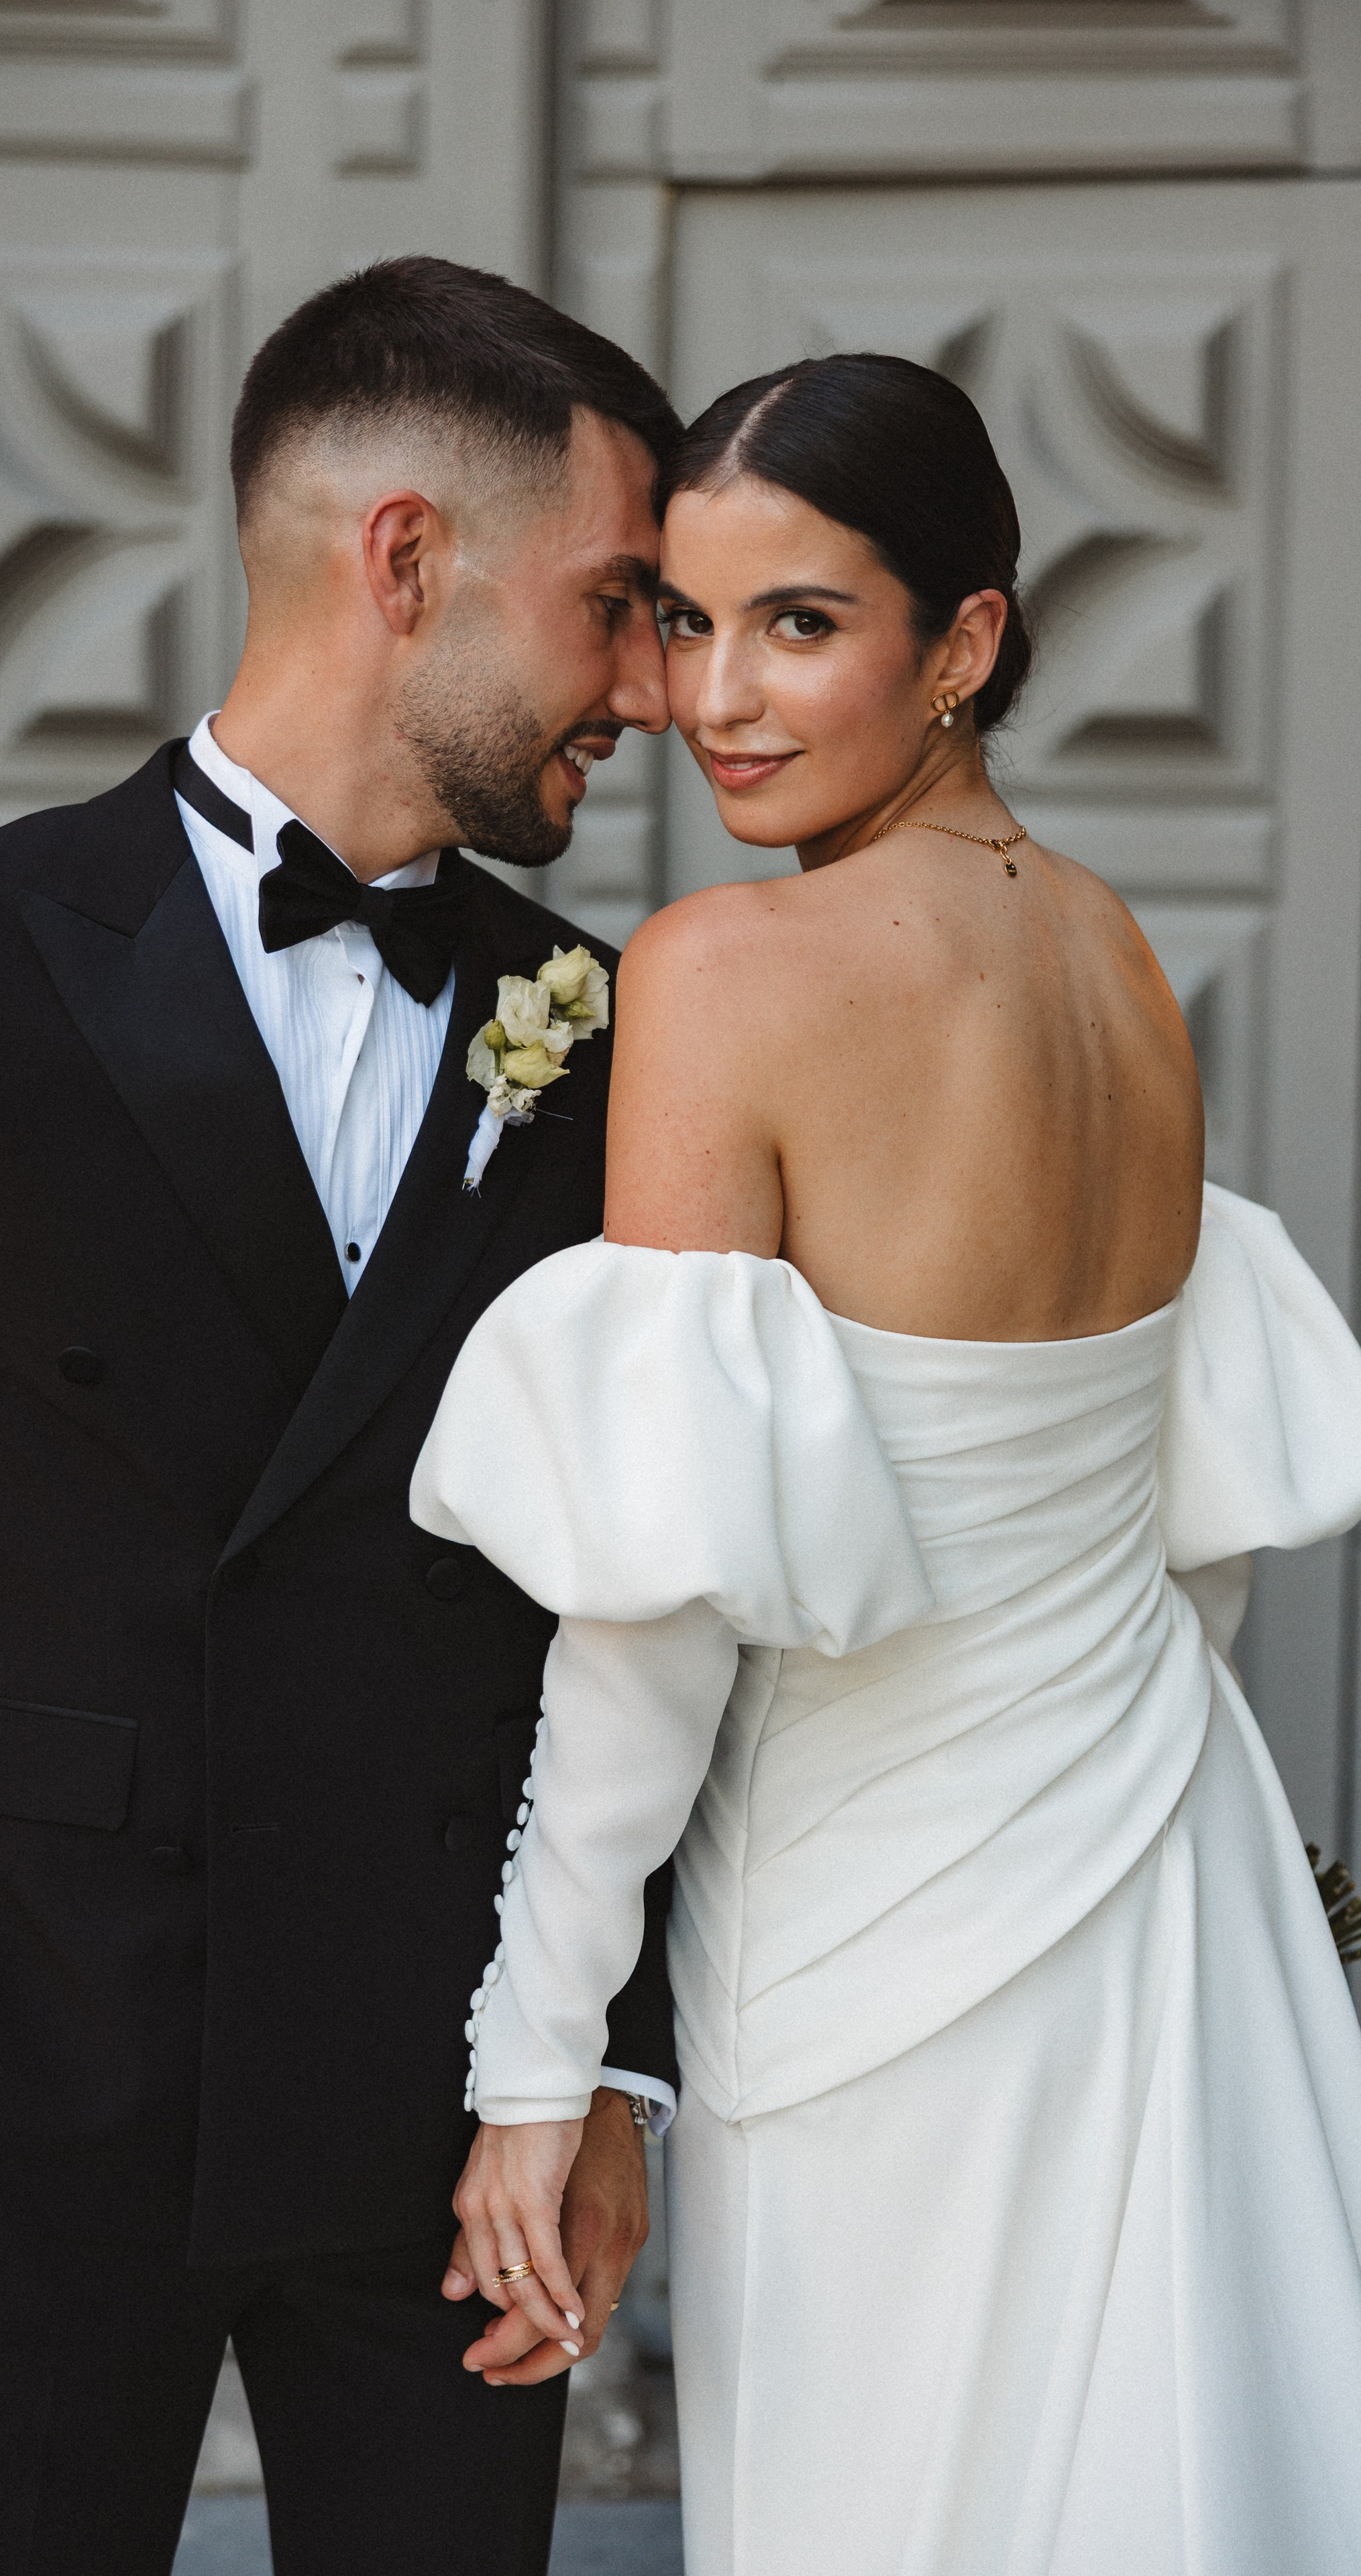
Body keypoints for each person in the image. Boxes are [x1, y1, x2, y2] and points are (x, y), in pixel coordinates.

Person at [0, 257, 685, 2576]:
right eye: (617, 604)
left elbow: (674, 1576)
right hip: (40, 2067)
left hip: (456, 2109)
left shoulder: (618, 1030)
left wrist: (609, 2065)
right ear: (405, 557)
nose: (652, 687)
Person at [412, 352, 1361, 2573]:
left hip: (873, 1938)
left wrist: (536, 2063)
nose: (714, 695)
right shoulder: (1123, 962)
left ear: (966, 643)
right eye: (680, 617)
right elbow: (1168, 1523)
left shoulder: (727, 974)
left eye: (801, 624)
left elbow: (648, 1616)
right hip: (1162, 1864)